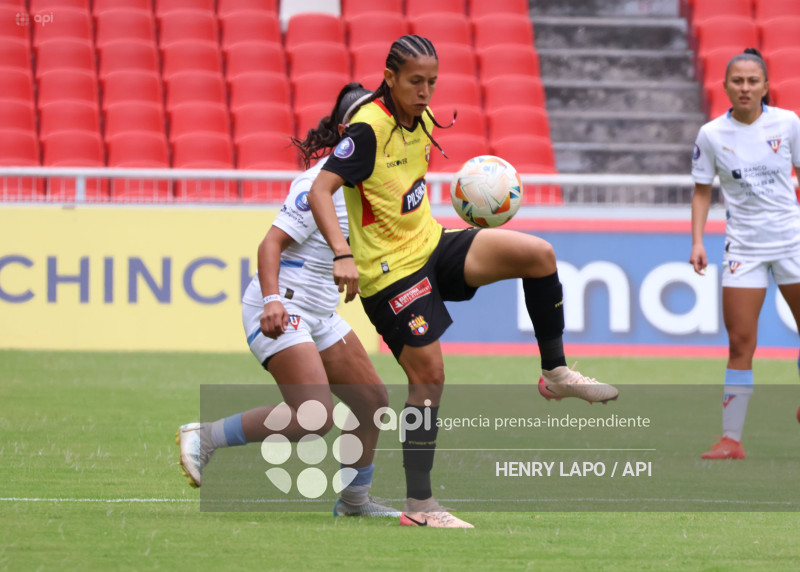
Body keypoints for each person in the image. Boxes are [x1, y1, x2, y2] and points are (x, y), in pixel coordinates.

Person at [308, 35, 618, 529]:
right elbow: (321, 190)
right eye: (415, 82)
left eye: (432, 81)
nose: (426, 91)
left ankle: (556, 374)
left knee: (538, 254)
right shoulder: (368, 129)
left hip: (431, 245)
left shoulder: (421, 115)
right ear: (389, 79)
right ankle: (420, 506)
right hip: (390, 275)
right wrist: (342, 253)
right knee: (428, 380)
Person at [177, 83, 400, 517]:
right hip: (282, 304)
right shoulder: (319, 183)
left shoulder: (375, 189)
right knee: (312, 417)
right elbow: (270, 245)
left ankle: (355, 502)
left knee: (372, 402)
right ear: (347, 132)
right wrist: (273, 300)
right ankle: (205, 436)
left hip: (319, 312)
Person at [690, 48, 800, 460]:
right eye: (738, 80)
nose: (745, 87)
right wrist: (698, 241)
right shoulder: (711, 134)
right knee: (740, 342)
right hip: (745, 248)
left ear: (766, 86)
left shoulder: (788, 124)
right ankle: (731, 440)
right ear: (725, 86)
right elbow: (702, 191)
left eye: (753, 80)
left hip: (792, 241)